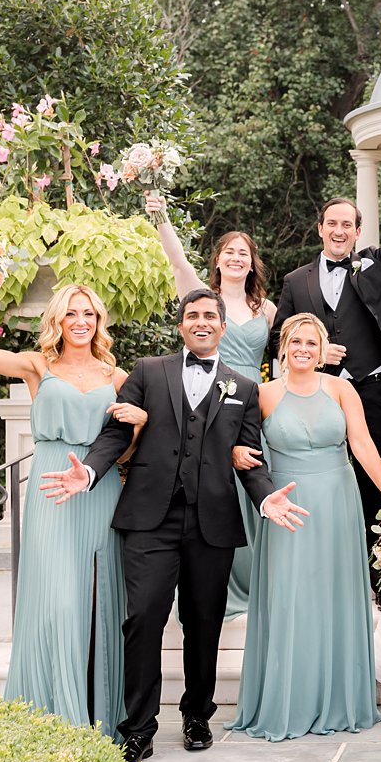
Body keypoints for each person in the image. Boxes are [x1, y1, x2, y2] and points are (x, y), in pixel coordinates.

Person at [39, 289, 308, 762]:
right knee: (143, 619)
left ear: (223, 326)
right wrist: (91, 472)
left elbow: (247, 458)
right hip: (149, 520)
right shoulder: (147, 371)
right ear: (181, 325)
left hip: (212, 523)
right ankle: (138, 728)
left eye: (210, 316)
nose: (201, 322)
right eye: (192, 315)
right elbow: (117, 430)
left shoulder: (243, 389)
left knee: (204, 625)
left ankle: (197, 714)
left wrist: (266, 497)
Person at [0, 281, 144, 737]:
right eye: (72, 313)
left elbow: (126, 447)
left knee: (99, 600)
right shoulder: (37, 365)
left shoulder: (116, 376)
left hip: (97, 488)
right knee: (58, 602)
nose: (81, 321)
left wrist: (139, 426)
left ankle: (97, 714)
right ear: (58, 321)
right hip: (49, 485)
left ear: (99, 321)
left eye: (89, 313)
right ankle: (52, 714)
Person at [228, 313, 381, 740]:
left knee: (335, 594)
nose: (304, 349)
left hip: (339, 502)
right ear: (283, 345)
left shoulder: (341, 389)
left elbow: (362, 444)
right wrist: (235, 451)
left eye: (312, 342)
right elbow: (242, 444)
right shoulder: (263, 394)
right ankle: (290, 698)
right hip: (287, 505)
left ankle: (337, 697)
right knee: (290, 597)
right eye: (296, 341)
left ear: (322, 350)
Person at [270, 155, 381, 547]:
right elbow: (277, 337)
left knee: (377, 473)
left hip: (372, 390)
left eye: (346, 225)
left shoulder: (373, 265)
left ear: (357, 231)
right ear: (320, 228)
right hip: (316, 396)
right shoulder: (295, 281)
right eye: (331, 223)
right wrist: (316, 351)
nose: (339, 230)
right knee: (325, 475)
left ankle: (380, 569)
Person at [147, 195, 278, 619]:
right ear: (218, 260)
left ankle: (259, 583)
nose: (237, 257)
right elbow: (178, 261)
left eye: (245, 252)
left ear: (252, 262)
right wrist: (160, 215)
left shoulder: (268, 309)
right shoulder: (202, 297)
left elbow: (282, 358)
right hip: (208, 406)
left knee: (255, 483)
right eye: (229, 251)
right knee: (219, 486)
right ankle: (224, 587)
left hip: (254, 404)